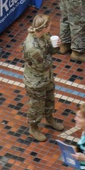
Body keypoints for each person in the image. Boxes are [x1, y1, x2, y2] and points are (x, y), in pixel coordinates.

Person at [22, 14, 63, 142]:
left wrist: (56, 46)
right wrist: (49, 57)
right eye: (49, 25)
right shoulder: (32, 47)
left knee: (50, 99)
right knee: (36, 106)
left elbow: (50, 52)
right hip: (36, 81)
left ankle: (49, 119)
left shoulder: (45, 35)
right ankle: (33, 127)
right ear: (43, 27)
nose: (51, 27)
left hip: (47, 77)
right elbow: (42, 65)